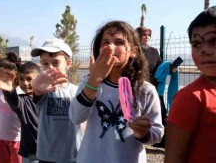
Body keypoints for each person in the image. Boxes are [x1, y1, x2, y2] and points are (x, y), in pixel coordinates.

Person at [69, 21, 164, 163]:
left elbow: (157, 132)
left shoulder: (145, 90)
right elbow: (76, 117)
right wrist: (94, 80)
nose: (110, 47)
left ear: (133, 51)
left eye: (119, 42)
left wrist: (143, 133)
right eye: (105, 42)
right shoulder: (89, 82)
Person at [165, 6, 216, 163]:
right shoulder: (190, 98)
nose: (204, 50)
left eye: (214, 41)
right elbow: (173, 158)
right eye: (196, 44)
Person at [31, 38, 84, 163]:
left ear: (68, 63)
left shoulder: (77, 90)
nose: (50, 67)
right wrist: (37, 89)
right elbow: (36, 94)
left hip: (74, 156)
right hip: (47, 157)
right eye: (45, 63)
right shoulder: (42, 90)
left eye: (55, 63)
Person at [0, 61, 40, 163]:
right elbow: (14, 101)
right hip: (31, 152)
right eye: (21, 79)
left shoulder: (48, 98)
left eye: (29, 79)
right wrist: (8, 90)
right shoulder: (22, 101)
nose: (25, 83)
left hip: (49, 150)